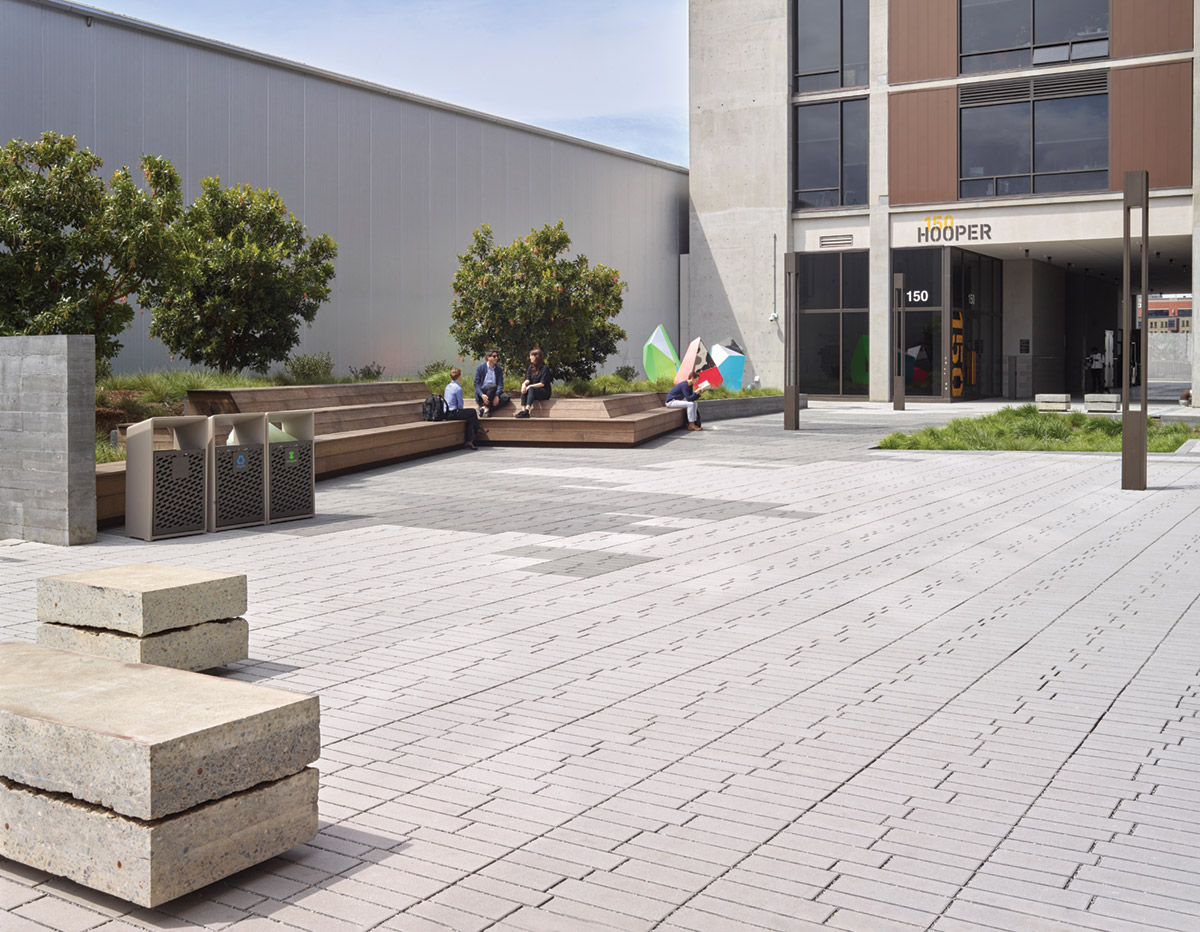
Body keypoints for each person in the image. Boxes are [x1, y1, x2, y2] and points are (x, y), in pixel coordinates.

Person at [443, 367, 485, 449]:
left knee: (470, 419)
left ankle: (469, 441)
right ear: (459, 377)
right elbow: (460, 405)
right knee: (472, 411)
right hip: (453, 413)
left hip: (446, 413)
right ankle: (477, 429)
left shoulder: (448, 386)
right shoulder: (458, 388)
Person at [514, 347, 551, 418]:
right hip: (533, 391)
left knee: (531, 389)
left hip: (544, 392)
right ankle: (523, 411)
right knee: (524, 389)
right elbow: (528, 379)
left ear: (536, 357)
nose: (530, 357)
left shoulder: (544, 368)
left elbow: (542, 383)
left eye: (531, 356)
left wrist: (530, 386)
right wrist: (523, 384)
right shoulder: (531, 367)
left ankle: (527, 410)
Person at [474, 349, 509, 417]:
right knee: (492, 386)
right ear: (488, 357)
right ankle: (486, 409)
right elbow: (476, 384)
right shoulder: (480, 368)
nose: (496, 358)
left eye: (497, 356)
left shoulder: (499, 369)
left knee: (506, 397)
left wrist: (497, 395)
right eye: (494, 356)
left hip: (494, 393)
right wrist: (481, 394)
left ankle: (485, 409)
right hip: (483, 393)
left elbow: (500, 384)